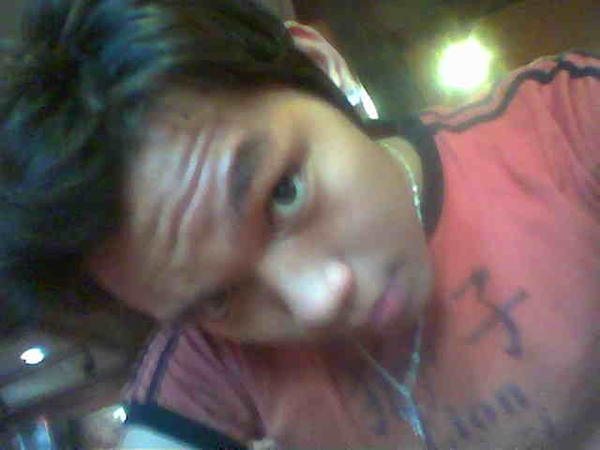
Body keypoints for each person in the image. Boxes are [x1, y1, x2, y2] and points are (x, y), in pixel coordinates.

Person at [1, 0, 598, 448]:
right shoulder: (208, 357)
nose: (319, 300)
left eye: (283, 193)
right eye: (221, 298)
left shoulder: (565, 125)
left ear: (322, 68)